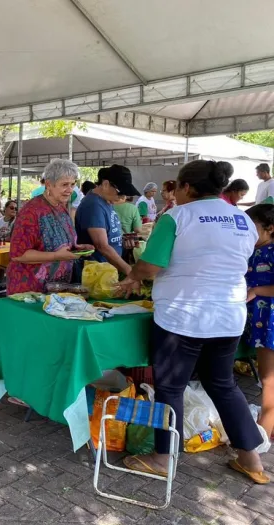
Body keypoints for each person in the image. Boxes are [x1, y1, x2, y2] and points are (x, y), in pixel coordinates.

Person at [118, 159, 267, 484]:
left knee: (170, 387)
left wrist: (133, 276)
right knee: (223, 385)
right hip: (228, 316)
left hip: (182, 317)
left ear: (186, 187)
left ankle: (163, 458)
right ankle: (251, 459)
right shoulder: (242, 219)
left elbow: (151, 266)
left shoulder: (177, 216)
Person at [7, 159, 93, 294]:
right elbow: (18, 255)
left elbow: (60, 242)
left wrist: (77, 248)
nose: (70, 190)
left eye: (72, 184)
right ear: (48, 184)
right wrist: (56, 256)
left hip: (57, 290)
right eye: (64, 184)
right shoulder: (31, 211)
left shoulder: (61, 207)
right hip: (31, 291)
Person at [243, 204, 274, 443]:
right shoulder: (254, 250)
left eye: (251, 228)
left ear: (269, 228)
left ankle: (262, 434)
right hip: (260, 319)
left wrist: (256, 291)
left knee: (268, 379)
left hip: (269, 321)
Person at [75, 165, 139, 276]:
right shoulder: (93, 205)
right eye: (120, 193)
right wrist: (130, 272)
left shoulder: (107, 201)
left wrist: (122, 240)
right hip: (96, 273)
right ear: (105, 184)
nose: (122, 197)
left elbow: (108, 234)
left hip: (107, 271)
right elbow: (102, 246)